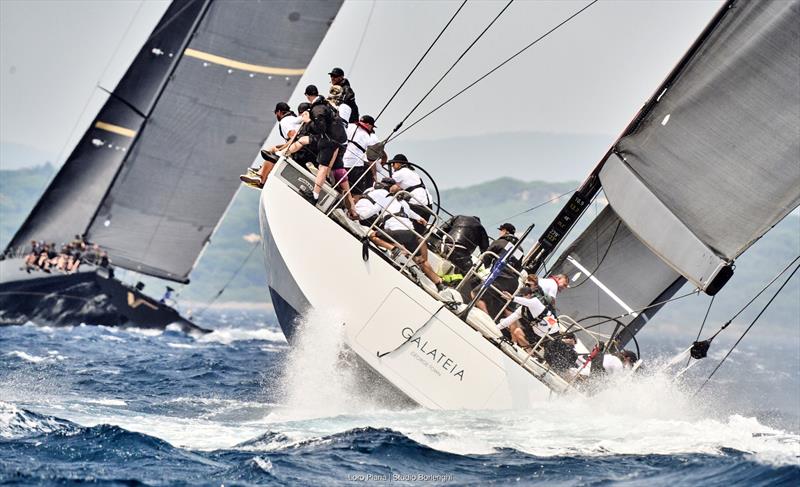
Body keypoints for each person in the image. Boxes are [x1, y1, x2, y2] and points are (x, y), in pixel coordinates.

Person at [353, 183, 445, 291]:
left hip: (396, 233)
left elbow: (367, 214)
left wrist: (355, 216)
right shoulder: (404, 204)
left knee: (372, 235)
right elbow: (415, 216)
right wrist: (421, 218)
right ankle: (439, 283)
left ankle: (394, 249)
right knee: (420, 260)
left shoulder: (385, 200)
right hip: (410, 233)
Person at [240, 102, 302, 188]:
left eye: (275, 113)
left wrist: (281, 149)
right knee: (272, 149)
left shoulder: (285, 121)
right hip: (299, 147)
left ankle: (261, 178)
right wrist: (278, 147)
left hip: (297, 151)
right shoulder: (293, 118)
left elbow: (294, 137)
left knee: (272, 154)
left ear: (279, 112)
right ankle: (261, 171)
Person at [472, 223, 524, 318]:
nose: (500, 233)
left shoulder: (500, 242)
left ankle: (486, 322)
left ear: (505, 231)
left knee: (475, 294)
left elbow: (486, 258)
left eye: (501, 230)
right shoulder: (520, 249)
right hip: (513, 284)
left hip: (500, 277)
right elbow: (518, 268)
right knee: (503, 310)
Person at [343, 115, 383, 195]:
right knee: (357, 192)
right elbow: (371, 159)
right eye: (372, 127)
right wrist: (374, 175)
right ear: (368, 125)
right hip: (355, 166)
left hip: (341, 160)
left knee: (341, 185)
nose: (371, 129)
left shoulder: (349, 126)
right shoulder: (370, 137)